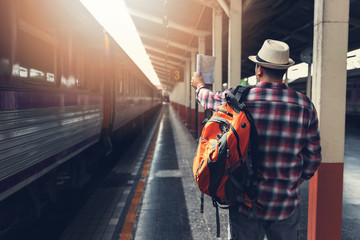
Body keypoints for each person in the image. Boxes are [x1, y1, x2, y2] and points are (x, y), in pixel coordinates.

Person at [191, 39, 322, 240]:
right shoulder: (305, 106)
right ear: (284, 71)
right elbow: (313, 159)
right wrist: (292, 183)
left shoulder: (238, 97)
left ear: (258, 69)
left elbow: (209, 99)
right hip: (285, 206)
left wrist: (199, 86)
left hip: (245, 203)